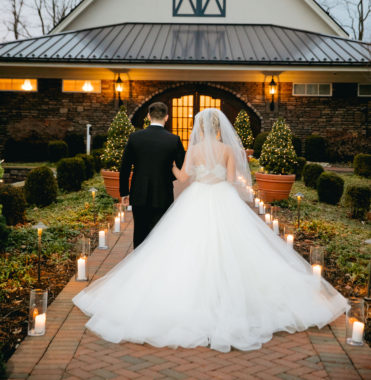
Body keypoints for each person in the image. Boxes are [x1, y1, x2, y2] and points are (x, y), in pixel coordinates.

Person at [73, 109, 348, 352]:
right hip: (222, 198)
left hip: (197, 198)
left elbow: (183, 177)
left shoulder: (193, 151)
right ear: (219, 127)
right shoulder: (228, 150)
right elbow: (232, 179)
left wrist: (172, 167)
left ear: (199, 128)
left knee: (183, 246)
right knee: (234, 247)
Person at [119, 101, 185, 248]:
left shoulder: (135, 137)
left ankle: (138, 266)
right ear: (166, 117)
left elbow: (125, 166)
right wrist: (167, 172)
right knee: (161, 234)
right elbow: (182, 167)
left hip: (139, 193)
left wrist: (124, 192)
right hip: (163, 194)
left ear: (148, 116)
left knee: (140, 233)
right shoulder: (174, 140)